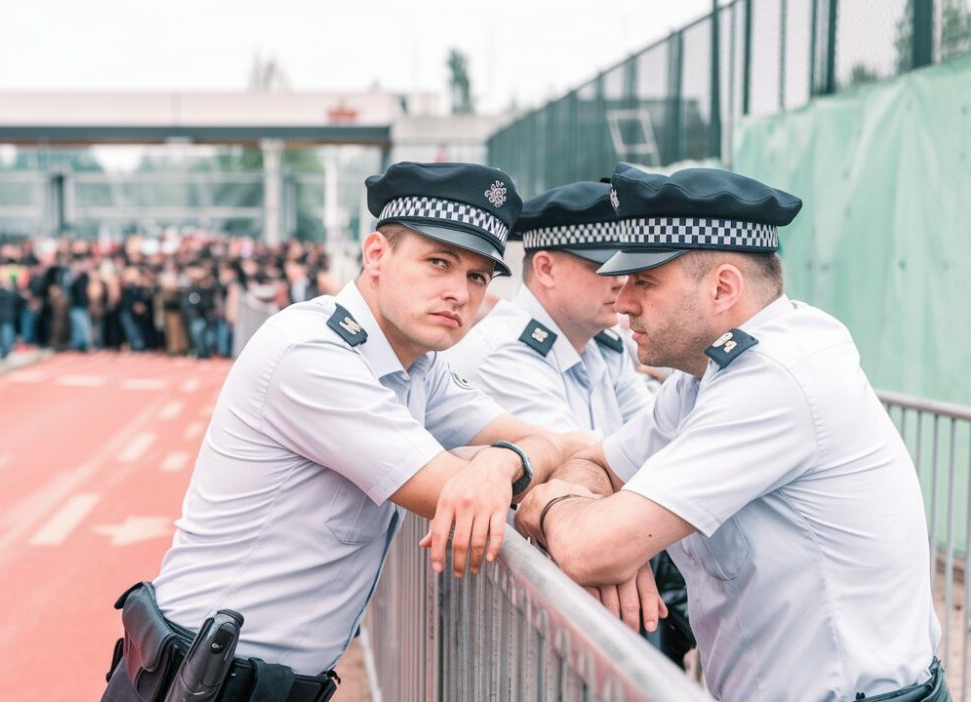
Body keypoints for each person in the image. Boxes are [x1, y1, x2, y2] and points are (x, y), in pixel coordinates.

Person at [99, 162, 655, 702]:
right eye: (438, 262)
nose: (460, 292)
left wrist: (523, 465)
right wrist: (511, 464)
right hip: (199, 683)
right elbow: (452, 489)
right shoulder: (313, 353)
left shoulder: (418, 367)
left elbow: (569, 441)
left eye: (477, 276)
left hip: (260, 679)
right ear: (376, 255)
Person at [516, 164, 943, 701]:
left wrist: (550, 504)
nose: (623, 302)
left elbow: (590, 549)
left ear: (723, 288)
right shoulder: (704, 377)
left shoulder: (775, 380)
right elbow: (602, 464)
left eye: (644, 282)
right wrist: (581, 498)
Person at [444, 180, 693, 665]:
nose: (621, 283)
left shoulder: (606, 344)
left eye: (628, 266)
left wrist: (620, 529)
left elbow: (653, 448)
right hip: (529, 610)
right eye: (603, 265)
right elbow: (574, 459)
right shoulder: (506, 350)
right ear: (545, 267)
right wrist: (622, 540)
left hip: (576, 588)